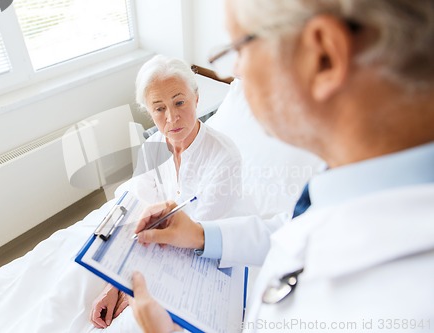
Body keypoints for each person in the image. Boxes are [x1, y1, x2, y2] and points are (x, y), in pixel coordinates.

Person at [129, 0, 434, 332]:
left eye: (239, 49)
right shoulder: (355, 174)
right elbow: (292, 229)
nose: (238, 72)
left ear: (324, 56)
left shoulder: (410, 305)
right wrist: (201, 235)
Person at [90, 54, 251, 329]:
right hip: (162, 254)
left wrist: (137, 286)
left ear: (196, 99)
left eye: (179, 102)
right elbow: (141, 220)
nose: (172, 117)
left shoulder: (225, 157)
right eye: (159, 108)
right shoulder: (150, 149)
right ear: (149, 112)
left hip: (209, 252)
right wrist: (114, 285)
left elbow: (194, 236)